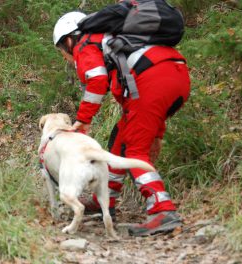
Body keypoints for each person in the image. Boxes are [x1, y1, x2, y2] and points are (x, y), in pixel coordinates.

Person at [52, 10, 191, 236]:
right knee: (121, 139)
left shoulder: (85, 43)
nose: (66, 57)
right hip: (176, 76)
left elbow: (96, 80)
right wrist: (157, 134)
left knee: (135, 150)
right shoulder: (113, 39)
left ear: (68, 41)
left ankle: (162, 210)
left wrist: (83, 120)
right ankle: (104, 199)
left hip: (152, 81)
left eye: (62, 51)